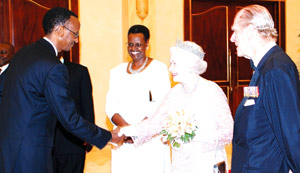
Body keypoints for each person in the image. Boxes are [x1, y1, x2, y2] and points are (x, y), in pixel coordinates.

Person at [0, 7, 124, 172]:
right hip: (32, 152)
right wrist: (108, 136)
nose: (76, 40)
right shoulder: (54, 67)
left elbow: (2, 90)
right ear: (59, 30)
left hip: (8, 148)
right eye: (75, 34)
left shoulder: (23, 53)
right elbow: (69, 118)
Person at [120, 40, 234, 172]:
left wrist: (192, 136)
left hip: (207, 163)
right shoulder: (174, 93)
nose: (170, 69)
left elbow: (228, 131)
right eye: (170, 64)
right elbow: (155, 123)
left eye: (174, 64)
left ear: (189, 65)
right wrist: (128, 130)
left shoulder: (211, 90)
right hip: (180, 164)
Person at [230, 4, 300, 172]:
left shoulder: (275, 70)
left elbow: (290, 131)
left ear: (251, 30)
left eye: (235, 31)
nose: (232, 38)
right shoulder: (264, 68)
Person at [105, 24, 171, 173]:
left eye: (139, 44)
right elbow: (111, 106)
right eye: (130, 44)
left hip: (150, 139)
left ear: (147, 44)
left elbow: (162, 105)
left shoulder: (158, 69)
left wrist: (139, 131)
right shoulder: (117, 72)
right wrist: (128, 131)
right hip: (123, 139)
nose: (134, 49)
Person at [52, 56, 95, 173]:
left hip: (72, 144)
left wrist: (89, 137)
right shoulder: (35, 71)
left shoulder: (79, 72)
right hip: (43, 146)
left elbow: (87, 106)